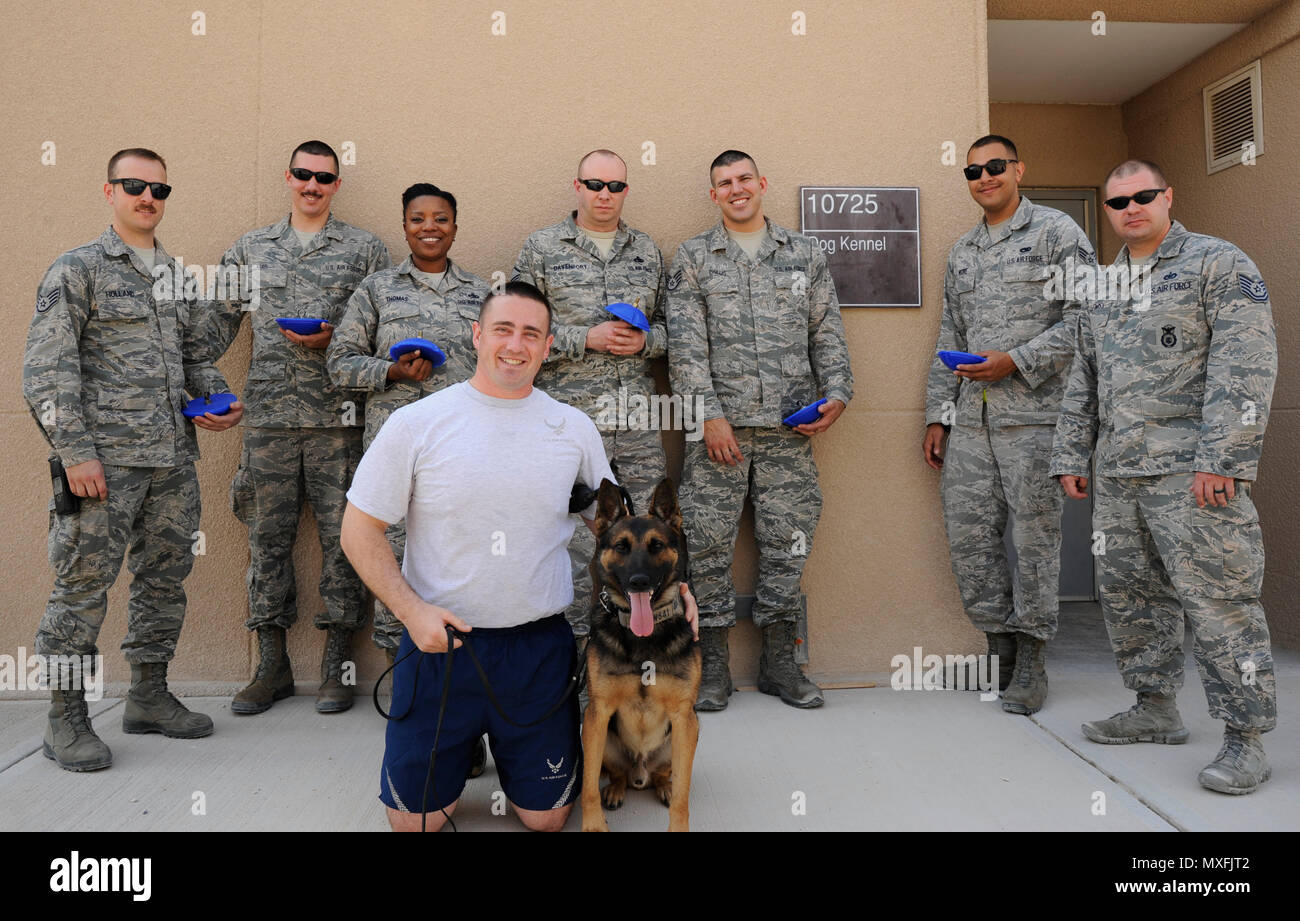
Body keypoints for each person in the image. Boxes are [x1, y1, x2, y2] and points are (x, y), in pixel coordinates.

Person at [340, 282, 697, 831]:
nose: (516, 344)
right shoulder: (418, 423)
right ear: (477, 335)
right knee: (416, 825)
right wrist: (412, 613)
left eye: (531, 333)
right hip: (442, 645)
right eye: (503, 329)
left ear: (549, 345)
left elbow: (619, 533)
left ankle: (505, 753)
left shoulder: (572, 427)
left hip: (535, 648)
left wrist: (675, 593)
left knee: (547, 819)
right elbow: (358, 530)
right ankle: (461, 750)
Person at [1051, 159, 1278, 794]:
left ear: (1168, 196)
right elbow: (1084, 379)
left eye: (1142, 196)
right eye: (1117, 201)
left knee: (1221, 601)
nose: (1130, 208)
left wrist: (1223, 459)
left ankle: (1245, 736)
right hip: (1121, 472)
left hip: (1194, 475)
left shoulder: (1218, 263)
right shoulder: (1102, 284)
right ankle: (1154, 708)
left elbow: (1248, 365)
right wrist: (1072, 453)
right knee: (1130, 596)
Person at [23, 148, 244, 771]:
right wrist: (75, 454)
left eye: (159, 189)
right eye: (135, 185)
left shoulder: (173, 275)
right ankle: (64, 718)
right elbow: (47, 367)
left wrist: (215, 400)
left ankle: (148, 693)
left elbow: (193, 356)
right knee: (82, 587)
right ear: (109, 190)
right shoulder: (78, 268)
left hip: (172, 460)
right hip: (103, 466)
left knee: (163, 579)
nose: (148, 197)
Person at [203, 140, 390, 715]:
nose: (313, 185)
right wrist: (208, 388)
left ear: (337, 184)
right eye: (303, 175)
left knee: (345, 540)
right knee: (267, 540)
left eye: (324, 177)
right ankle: (272, 664)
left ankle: (337, 664)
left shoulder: (365, 251)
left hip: (339, 421)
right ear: (289, 178)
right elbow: (211, 329)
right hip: (269, 421)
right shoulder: (251, 248)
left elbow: (385, 328)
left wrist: (337, 338)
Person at [666, 149, 853, 711]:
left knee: (787, 548)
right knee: (707, 548)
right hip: (717, 436)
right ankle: (714, 667)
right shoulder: (695, 258)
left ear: (762, 183)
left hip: (789, 432)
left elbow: (827, 329)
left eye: (744, 178)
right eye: (724, 183)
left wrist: (839, 391)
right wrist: (709, 416)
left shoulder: (804, 253)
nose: (735, 188)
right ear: (714, 194)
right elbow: (685, 346)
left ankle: (781, 665)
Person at [922, 135, 1095, 713]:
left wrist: (1015, 361)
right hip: (972, 422)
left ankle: (1034, 658)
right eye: (973, 170)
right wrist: (939, 415)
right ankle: (998, 647)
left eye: (995, 166)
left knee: (1035, 542)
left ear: (1019, 168)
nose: (985, 177)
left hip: (1037, 421)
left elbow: (1087, 319)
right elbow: (950, 335)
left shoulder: (1056, 234)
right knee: (970, 538)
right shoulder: (963, 250)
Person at [511, 149, 669, 641]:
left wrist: (648, 341)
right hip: (569, 425)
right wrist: (585, 338)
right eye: (595, 184)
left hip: (638, 422)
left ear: (626, 191)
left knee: (648, 548)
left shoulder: (647, 251)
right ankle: (578, 668)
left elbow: (674, 329)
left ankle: (642, 660)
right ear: (576, 185)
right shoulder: (540, 249)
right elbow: (517, 334)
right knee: (576, 548)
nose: (605, 195)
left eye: (616, 187)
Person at [327, 183, 487, 656]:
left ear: (455, 228)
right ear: (404, 227)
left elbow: (502, 363)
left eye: (440, 219)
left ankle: (461, 666)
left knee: (462, 553)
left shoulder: (481, 293)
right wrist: (390, 371)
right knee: (392, 553)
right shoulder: (376, 290)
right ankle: (402, 673)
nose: (429, 228)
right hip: (395, 451)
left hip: (464, 449)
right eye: (418, 219)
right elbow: (339, 362)